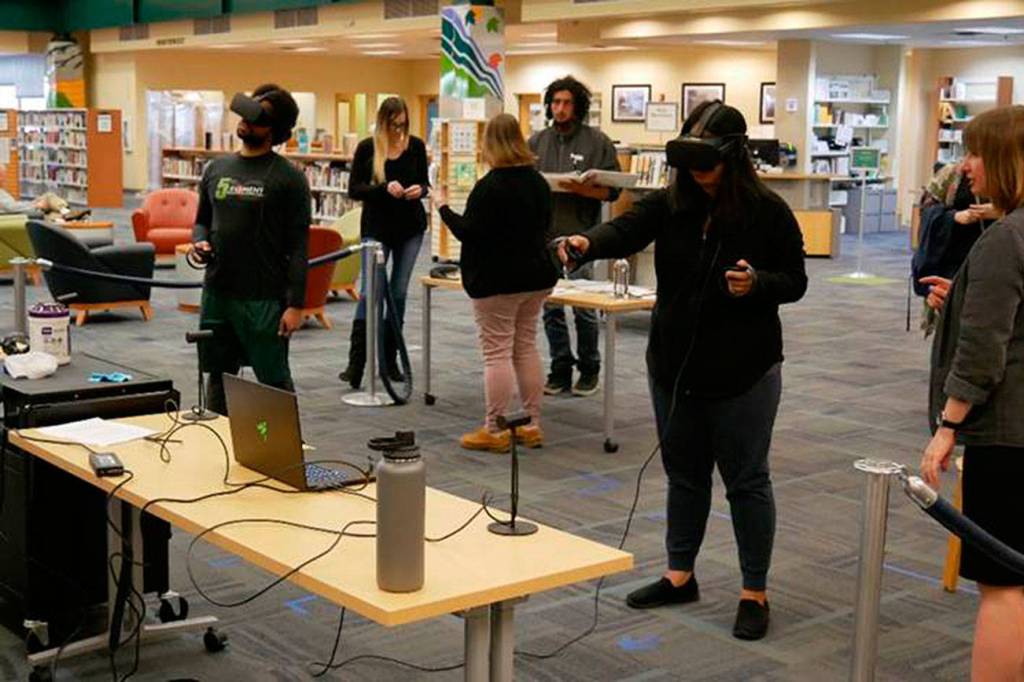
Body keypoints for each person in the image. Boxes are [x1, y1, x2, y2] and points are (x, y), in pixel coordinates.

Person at [556, 101, 807, 640]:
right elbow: (624, 230)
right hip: (674, 367)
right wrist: (585, 243)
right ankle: (680, 575)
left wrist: (758, 283)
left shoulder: (768, 212)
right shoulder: (671, 203)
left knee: (747, 481)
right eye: (689, 163)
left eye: (706, 162)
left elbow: (796, 280)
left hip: (744, 371)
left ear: (733, 156)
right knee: (685, 475)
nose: (697, 173)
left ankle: (754, 591)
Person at [920, 105, 1024, 682]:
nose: (966, 167)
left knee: (1003, 585)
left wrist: (947, 428)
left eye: (977, 153)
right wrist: (961, 297)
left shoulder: (1005, 239)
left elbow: (984, 353)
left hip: (1007, 437)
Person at [438, 113, 558, 453]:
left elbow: (468, 232)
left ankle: (495, 428)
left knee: (497, 353)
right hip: (536, 276)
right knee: (526, 346)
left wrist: (442, 207)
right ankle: (531, 425)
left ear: (489, 143)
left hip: (497, 281)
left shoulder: (489, 187)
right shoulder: (538, 182)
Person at [192, 83, 310, 415]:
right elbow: (201, 221)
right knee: (218, 376)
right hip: (218, 292)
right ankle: (218, 441)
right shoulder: (216, 169)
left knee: (274, 381)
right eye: (245, 115)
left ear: (274, 130)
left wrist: (295, 305)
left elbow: (299, 245)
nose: (245, 122)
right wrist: (199, 241)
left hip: (263, 298)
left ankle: (285, 447)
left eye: (256, 119)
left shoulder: (290, 179)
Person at [529, 75, 621, 397]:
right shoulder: (536, 142)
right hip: (545, 236)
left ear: (578, 106)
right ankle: (560, 367)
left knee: (584, 307)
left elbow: (612, 191)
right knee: (551, 307)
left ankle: (589, 368)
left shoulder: (597, 142)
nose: (560, 108)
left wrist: (583, 190)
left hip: (583, 235)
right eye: (556, 102)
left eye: (567, 103)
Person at [340, 97, 429, 389]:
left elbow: (425, 183)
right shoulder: (368, 148)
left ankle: (390, 361)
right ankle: (356, 363)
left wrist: (419, 190)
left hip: (410, 228)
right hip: (377, 228)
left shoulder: (416, 146)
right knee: (371, 293)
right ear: (383, 122)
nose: (398, 131)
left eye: (402, 125)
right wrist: (382, 188)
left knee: (398, 292)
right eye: (393, 125)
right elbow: (354, 189)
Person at [912, 160, 998, 333]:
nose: (967, 164)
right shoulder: (953, 173)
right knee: (952, 331)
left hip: (997, 265)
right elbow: (926, 211)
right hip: (954, 264)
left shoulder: (1014, 174)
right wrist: (954, 217)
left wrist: (1001, 211)